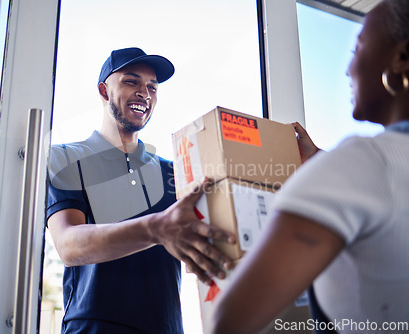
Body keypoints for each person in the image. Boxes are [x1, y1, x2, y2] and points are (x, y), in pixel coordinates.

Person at [212, 1, 409, 333]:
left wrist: (333, 170)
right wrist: (322, 163)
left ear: (402, 58)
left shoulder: (364, 161)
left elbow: (230, 321)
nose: (349, 69)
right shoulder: (370, 168)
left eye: (357, 47)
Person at [47, 47, 236, 334]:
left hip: (166, 328)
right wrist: (156, 228)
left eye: (152, 87)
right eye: (131, 81)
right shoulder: (66, 159)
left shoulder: (174, 173)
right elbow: (68, 245)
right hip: (94, 327)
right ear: (103, 90)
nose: (144, 94)